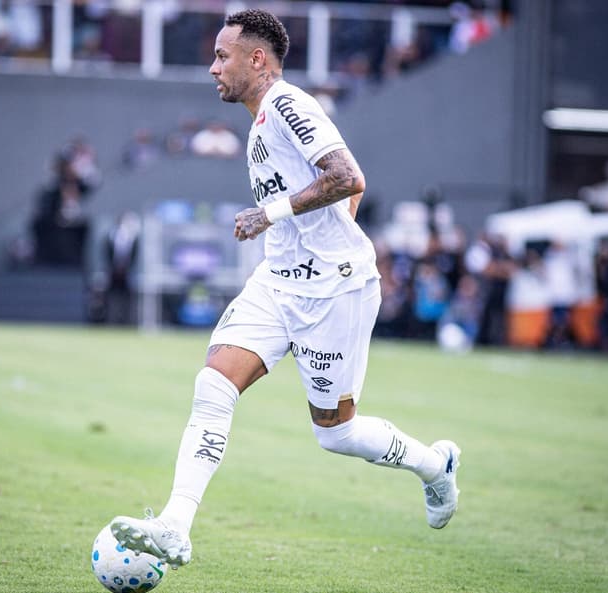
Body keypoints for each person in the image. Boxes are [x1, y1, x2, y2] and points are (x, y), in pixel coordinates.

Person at [110, 9, 461, 569]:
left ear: (258, 59)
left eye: (222, 56)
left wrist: (270, 214)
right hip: (277, 282)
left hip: (335, 290)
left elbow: (348, 177)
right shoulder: (257, 127)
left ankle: (432, 465)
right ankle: (175, 524)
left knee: (337, 434)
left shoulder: (288, 104)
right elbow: (349, 189)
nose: (212, 67)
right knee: (213, 384)